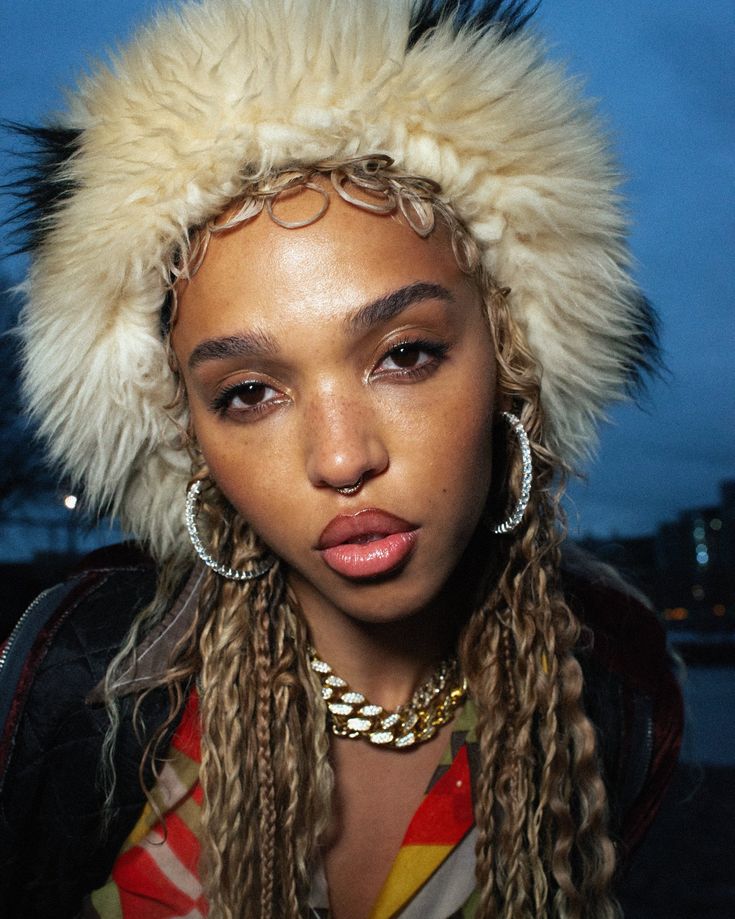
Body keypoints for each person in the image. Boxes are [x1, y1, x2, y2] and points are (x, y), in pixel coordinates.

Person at [0, 1, 683, 917]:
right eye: (248, 392)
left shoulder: (616, 686)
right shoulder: (83, 678)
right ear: (185, 435)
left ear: (510, 362)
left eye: (404, 354)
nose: (340, 457)